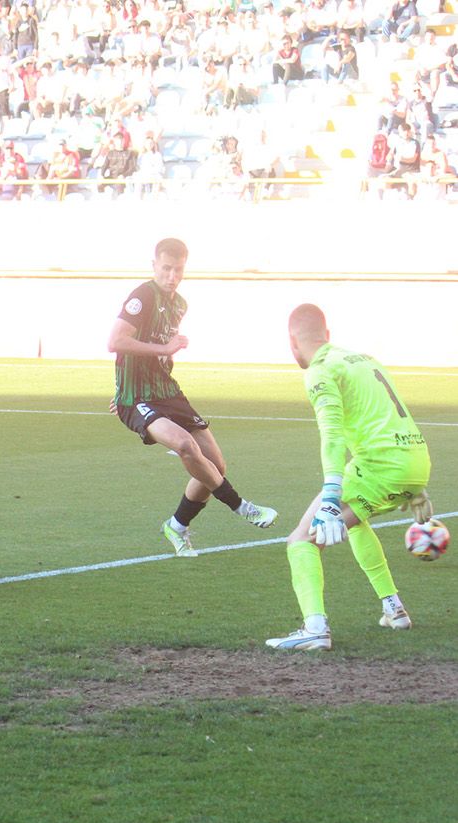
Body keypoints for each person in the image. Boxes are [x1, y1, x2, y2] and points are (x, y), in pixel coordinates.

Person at [266, 304, 434, 651]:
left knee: (301, 540)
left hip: (380, 466)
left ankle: (315, 628)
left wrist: (330, 496)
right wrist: (416, 484)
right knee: (357, 522)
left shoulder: (320, 370)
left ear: (292, 341)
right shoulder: (363, 359)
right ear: (327, 335)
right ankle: (394, 609)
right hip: (415, 459)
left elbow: (331, 434)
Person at [108, 237, 279, 556]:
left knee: (215, 465)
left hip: (167, 391)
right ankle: (242, 506)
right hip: (138, 398)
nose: (172, 276)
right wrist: (130, 384)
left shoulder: (179, 304)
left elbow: (153, 352)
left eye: (178, 269)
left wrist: (160, 356)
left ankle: (177, 526)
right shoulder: (142, 296)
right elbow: (116, 341)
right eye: (166, 268)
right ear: (154, 266)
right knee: (186, 445)